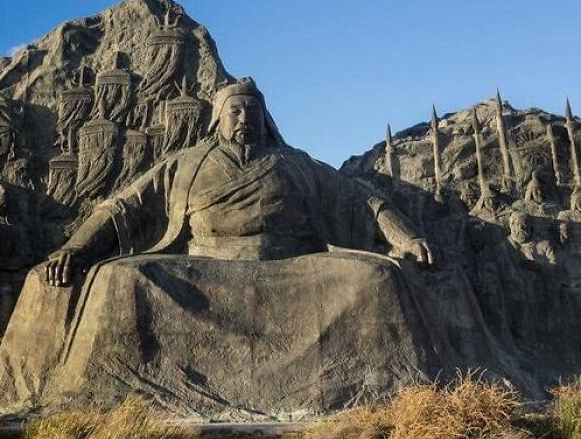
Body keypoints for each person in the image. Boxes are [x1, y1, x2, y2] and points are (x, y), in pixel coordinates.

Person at [45, 78, 433, 286]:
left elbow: (361, 199)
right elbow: (122, 206)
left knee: (377, 275)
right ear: (218, 118)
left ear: (265, 119)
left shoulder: (295, 163)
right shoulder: (185, 163)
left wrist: (406, 238)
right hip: (204, 267)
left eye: (253, 110)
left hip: (293, 266)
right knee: (121, 279)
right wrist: (76, 248)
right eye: (235, 110)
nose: (245, 118)